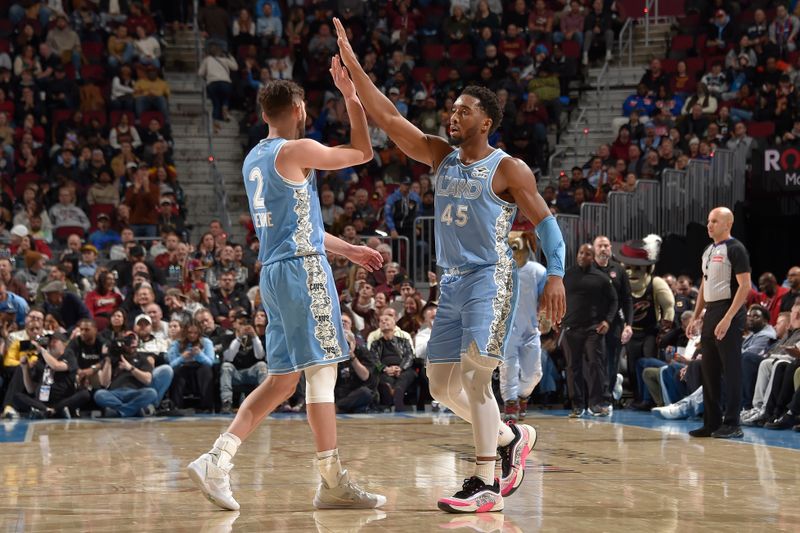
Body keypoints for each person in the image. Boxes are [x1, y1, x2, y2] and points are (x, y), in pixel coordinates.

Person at [334, 18, 566, 513]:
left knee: (478, 376)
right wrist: (354, 69)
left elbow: (545, 223)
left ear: (486, 122)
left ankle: (485, 482)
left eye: (464, 111)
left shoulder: (508, 168)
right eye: (452, 108)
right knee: (441, 385)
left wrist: (557, 274)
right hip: (453, 283)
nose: (452, 115)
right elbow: (391, 120)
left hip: (490, 277)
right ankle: (509, 436)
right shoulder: (441, 156)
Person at [186, 68, 386, 511]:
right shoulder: (298, 149)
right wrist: (351, 97)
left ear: (263, 115)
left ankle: (217, 460)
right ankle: (332, 481)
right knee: (323, 372)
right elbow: (362, 150)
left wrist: (348, 248)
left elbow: (301, 226)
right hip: (302, 272)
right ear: (298, 110)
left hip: (274, 273)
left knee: (281, 381)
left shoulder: (254, 159)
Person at [687, 207, 751, 439]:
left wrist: (728, 318)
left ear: (727, 224)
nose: (709, 225)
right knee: (709, 369)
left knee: (731, 369)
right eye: (708, 221)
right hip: (712, 311)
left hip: (729, 311)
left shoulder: (736, 249)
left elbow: (745, 286)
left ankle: (733, 423)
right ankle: (711, 422)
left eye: (714, 221)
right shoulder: (707, 250)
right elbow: (704, 286)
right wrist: (696, 316)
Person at [562, 244, 618, 417]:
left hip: (593, 329)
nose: (583, 256)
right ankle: (577, 406)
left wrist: (607, 321)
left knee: (595, 365)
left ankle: (595, 404)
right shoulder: (567, 275)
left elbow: (614, 301)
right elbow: (560, 298)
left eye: (587, 254)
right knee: (573, 367)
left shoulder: (601, 278)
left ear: (592, 257)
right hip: (571, 328)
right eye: (581, 253)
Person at [500, 231, 548, 422]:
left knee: (534, 373)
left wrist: (546, 318)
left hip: (530, 328)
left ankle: (521, 395)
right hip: (506, 330)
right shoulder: (499, 270)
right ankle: (510, 403)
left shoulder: (538, 271)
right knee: (508, 368)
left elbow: (545, 299)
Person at [592, 235, 633, 404]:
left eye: (606, 246)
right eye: (600, 246)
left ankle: (607, 397)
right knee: (594, 361)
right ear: (594, 248)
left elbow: (627, 299)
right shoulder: (588, 269)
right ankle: (594, 396)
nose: (603, 249)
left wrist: (628, 325)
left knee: (612, 360)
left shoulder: (619, 270)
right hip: (592, 323)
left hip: (614, 324)